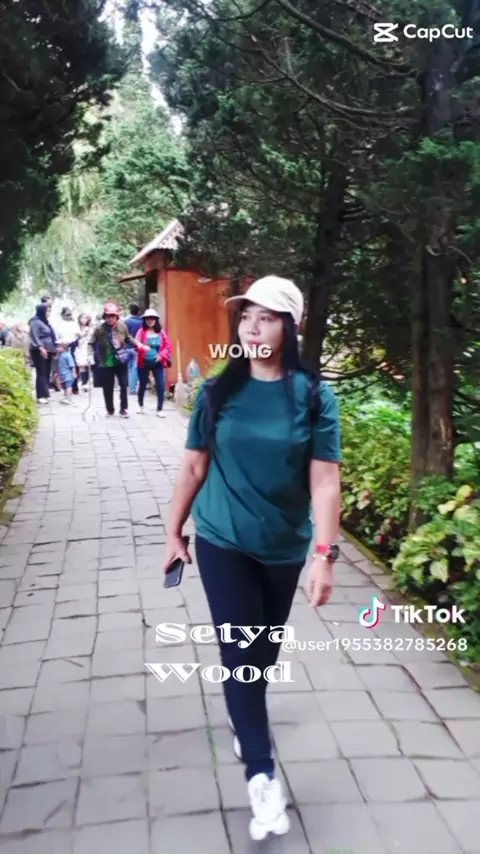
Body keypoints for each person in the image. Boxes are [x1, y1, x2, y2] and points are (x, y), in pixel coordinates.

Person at [162, 275, 342, 841]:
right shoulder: (218, 392)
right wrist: (173, 531)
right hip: (222, 539)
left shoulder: (313, 396)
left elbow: (325, 481)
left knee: (262, 651)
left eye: (265, 318)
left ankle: (247, 716)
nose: (252, 328)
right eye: (246, 317)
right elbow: (194, 465)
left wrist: (324, 555)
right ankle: (261, 776)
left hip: (284, 545)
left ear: (289, 326)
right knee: (240, 649)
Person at [89, 302, 148, 418]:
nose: (111, 318)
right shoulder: (99, 329)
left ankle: (124, 409)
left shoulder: (122, 326)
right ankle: (110, 410)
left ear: (117, 316)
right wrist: (89, 356)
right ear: (105, 316)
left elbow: (128, 338)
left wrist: (138, 344)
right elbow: (91, 343)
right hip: (106, 362)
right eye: (108, 316)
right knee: (108, 387)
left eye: (113, 316)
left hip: (121, 360)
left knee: (124, 385)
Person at [135, 308, 172, 417]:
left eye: (152, 318)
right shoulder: (141, 331)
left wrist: (161, 355)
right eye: (148, 318)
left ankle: (159, 409)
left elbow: (168, 346)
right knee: (142, 384)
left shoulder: (161, 332)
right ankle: (140, 405)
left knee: (161, 385)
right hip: (143, 363)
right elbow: (136, 343)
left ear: (156, 320)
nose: (150, 320)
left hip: (158, 363)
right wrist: (141, 346)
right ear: (145, 320)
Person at [29, 302, 57, 404]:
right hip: (39, 350)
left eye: (50, 311)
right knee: (41, 372)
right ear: (42, 311)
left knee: (46, 372)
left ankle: (45, 394)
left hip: (48, 350)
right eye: (47, 311)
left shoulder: (45, 322)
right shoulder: (35, 322)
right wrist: (40, 347)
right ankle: (40, 395)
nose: (49, 313)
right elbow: (34, 336)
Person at [124, 304, 143, 394]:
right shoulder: (142, 322)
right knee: (135, 368)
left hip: (127, 347)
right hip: (136, 347)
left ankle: (129, 386)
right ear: (138, 312)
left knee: (129, 367)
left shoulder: (126, 322)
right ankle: (132, 388)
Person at [75, 314, 92, 392]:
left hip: (87, 347)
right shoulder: (77, 328)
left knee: (87, 365)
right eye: (82, 318)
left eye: (85, 318)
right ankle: (83, 383)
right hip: (79, 348)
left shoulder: (89, 328)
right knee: (81, 366)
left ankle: (86, 383)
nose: (84, 320)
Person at [57, 341, 76, 405]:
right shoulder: (61, 355)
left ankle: (68, 398)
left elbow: (72, 365)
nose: (57, 348)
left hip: (68, 374)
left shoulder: (68, 355)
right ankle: (66, 398)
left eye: (59, 347)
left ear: (64, 348)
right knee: (65, 386)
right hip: (63, 374)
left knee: (68, 386)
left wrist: (74, 373)